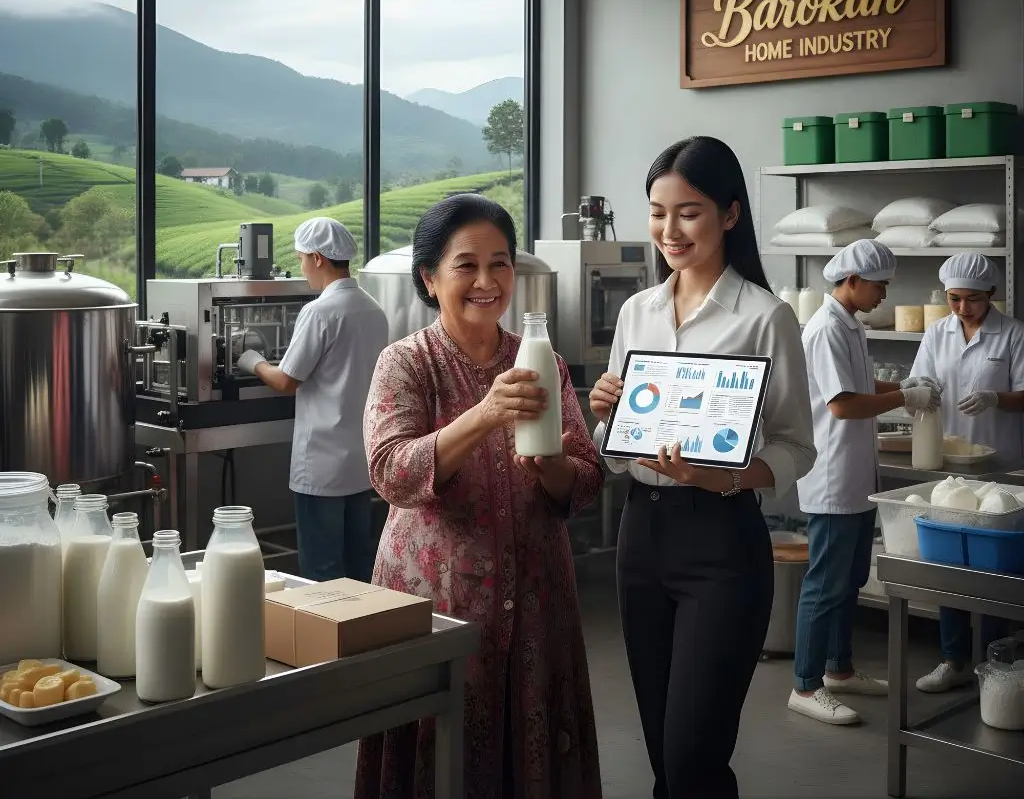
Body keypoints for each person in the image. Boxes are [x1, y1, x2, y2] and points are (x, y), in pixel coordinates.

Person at [354, 193, 604, 799]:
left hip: (538, 603)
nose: (487, 281)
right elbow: (389, 471)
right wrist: (484, 414)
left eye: (500, 263)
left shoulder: (542, 362)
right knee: (441, 756)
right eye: (466, 265)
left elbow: (588, 476)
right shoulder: (406, 364)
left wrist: (551, 468)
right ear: (430, 279)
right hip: (438, 603)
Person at [589, 136, 815, 799]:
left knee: (694, 758)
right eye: (658, 212)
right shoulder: (638, 311)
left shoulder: (765, 318)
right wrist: (607, 411)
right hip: (642, 537)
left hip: (721, 543)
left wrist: (731, 476)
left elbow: (798, 445)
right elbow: (618, 442)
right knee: (664, 754)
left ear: (730, 215)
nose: (669, 229)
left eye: (688, 212)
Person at [788, 240, 941, 725]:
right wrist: (905, 398)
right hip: (833, 475)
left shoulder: (850, 324)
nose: (884, 294)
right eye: (880, 285)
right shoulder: (827, 328)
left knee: (851, 578)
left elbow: (860, 385)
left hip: (855, 474)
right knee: (825, 584)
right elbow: (842, 404)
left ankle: (839, 669)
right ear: (852, 280)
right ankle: (805, 686)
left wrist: (903, 390)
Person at [237, 216, 388, 583]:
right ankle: (361, 637)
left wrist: (251, 360)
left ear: (318, 258)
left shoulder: (319, 312)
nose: (302, 267)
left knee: (321, 571)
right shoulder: (373, 310)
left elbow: (287, 380)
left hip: (320, 463)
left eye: (302, 258)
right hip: (359, 461)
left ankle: (325, 638)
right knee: (357, 566)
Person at [903, 252, 1024, 693]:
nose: (962, 309)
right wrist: (924, 393)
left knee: (995, 569)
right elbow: (919, 383)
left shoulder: (1012, 334)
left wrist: (996, 397)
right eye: (954, 299)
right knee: (950, 563)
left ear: (991, 294)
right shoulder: (938, 332)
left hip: (1002, 467)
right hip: (951, 467)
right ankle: (954, 659)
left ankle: (995, 663)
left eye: (972, 299)